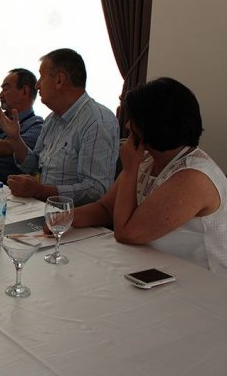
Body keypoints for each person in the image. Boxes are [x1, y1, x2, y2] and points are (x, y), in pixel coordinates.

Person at [71, 78, 227, 274]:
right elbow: (106, 208)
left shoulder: (193, 176)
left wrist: (129, 169)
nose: (127, 126)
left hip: (202, 279)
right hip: (154, 268)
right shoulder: (148, 160)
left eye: (133, 120)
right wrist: (62, 219)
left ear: (152, 124)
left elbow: (127, 233)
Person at [2, 48, 119, 206]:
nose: (37, 85)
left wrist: (41, 190)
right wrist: (15, 139)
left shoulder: (97, 122)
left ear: (59, 80)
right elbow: (34, 166)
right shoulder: (52, 119)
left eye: (41, 77)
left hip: (74, 216)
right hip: (43, 208)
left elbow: (96, 190)